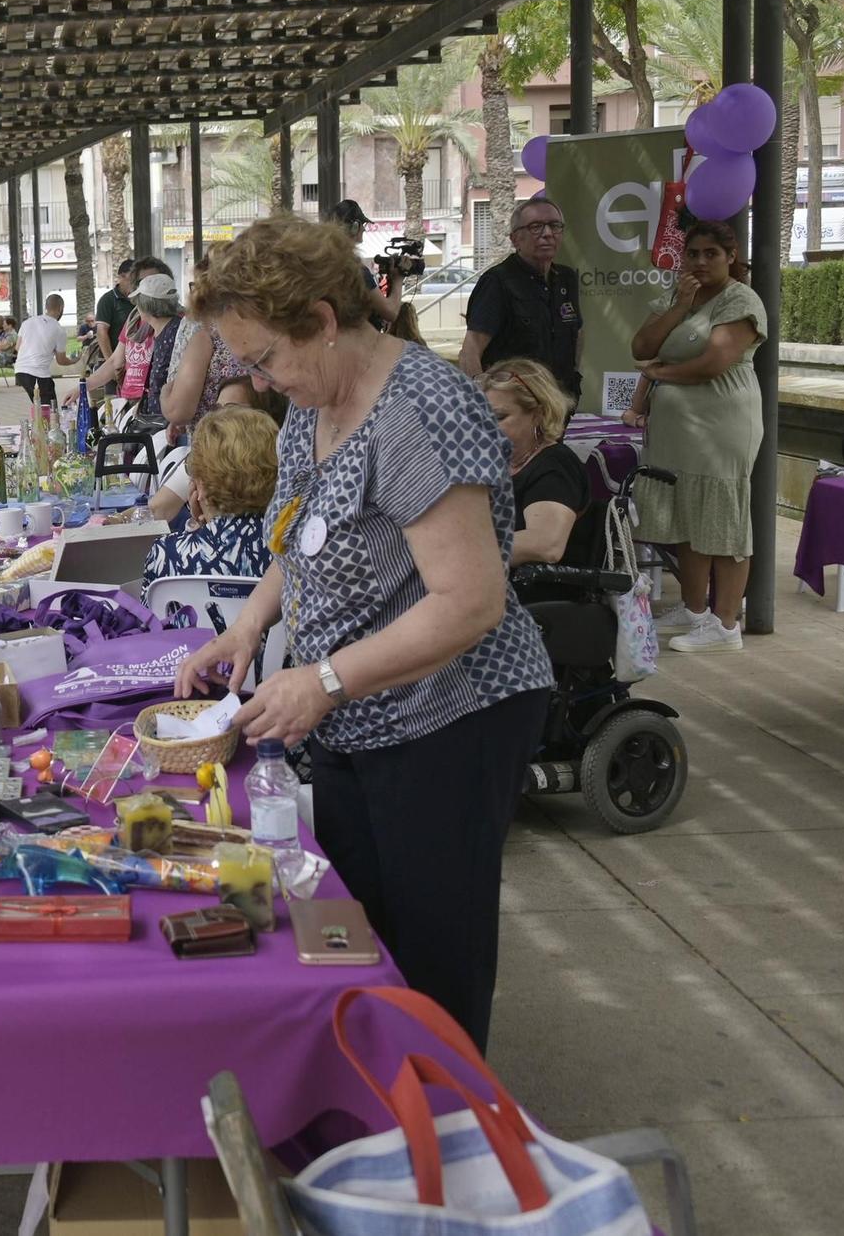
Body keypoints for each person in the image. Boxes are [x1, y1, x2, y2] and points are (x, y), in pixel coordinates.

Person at [174, 215, 552, 1051]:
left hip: (448, 717)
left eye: (268, 357)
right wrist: (247, 626)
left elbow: (469, 601)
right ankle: (377, 1097)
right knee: (354, 936)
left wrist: (325, 679)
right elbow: (299, 537)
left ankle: (442, 1127)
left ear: (322, 317)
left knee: (432, 956)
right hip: (352, 715)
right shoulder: (321, 403)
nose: (264, 381)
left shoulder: (419, 409)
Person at [628, 220, 768, 655]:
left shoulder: (741, 300)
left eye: (712, 253)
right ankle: (694, 611)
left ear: (731, 257)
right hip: (676, 431)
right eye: (694, 253)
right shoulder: (678, 294)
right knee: (687, 517)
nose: (702, 261)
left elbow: (715, 362)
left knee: (722, 518)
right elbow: (641, 345)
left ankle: (725, 625)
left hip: (721, 425)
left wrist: (659, 375)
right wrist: (679, 306)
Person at [460, 196, 583, 401]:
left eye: (555, 226)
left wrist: (575, 373)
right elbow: (470, 350)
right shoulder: (498, 281)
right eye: (536, 227)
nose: (547, 234)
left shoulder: (566, 278)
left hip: (561, 399)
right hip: (516, 404)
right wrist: (483, 402)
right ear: (515, 239)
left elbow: (577, 331)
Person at [143, 405, 277, 589]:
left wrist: (200, 527)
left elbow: (151, 615)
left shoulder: (167, 554)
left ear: (201, 488)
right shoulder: (293, 551)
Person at [480, 357, 590, 568]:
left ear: (539, 414)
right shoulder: (495, 463)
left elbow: (546, 544)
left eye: (499, 417)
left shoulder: (555, 465)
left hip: (538, 592)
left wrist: (460, 552)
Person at [150, 375, 289, 526]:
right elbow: (157, 509)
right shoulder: (206, 458)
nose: (218, 418)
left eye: (232, 410)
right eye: (216, 409)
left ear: (263, 418)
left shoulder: (290, 468)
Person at [161, 248, 247, 430]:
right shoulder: (262, 328)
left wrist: (165, 392)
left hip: (217, 446)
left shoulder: (207, 335)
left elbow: (178, 411)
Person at [87, 273, 183, 429]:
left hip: (166, 421)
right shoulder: (168, 329)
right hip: (153, 414)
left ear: (146, 306)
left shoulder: (175, 331)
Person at [330, 199, 402, 329]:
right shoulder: (356, 271)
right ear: (354, 227)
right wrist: (398, 279)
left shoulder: (324, 264)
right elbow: (390, 312)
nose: (364, 229)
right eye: (362, 224)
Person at [14, 293, 67, 407]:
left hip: (20, 371)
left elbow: (18, 347)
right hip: (38, 374)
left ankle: (38, 422)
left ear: (46, 307)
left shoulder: (27, 322)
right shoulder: (59, 329)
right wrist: (76, 360)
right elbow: (61, 360)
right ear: (61, 308)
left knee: (39, 406)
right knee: (49, 410)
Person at [94, 259, 137, 355]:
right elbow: (101, 332)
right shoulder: (108, 300)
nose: (136, 283)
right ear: (121, 276)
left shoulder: (140, 298)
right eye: (133, 279)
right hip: (115, 358)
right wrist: (111, 362)